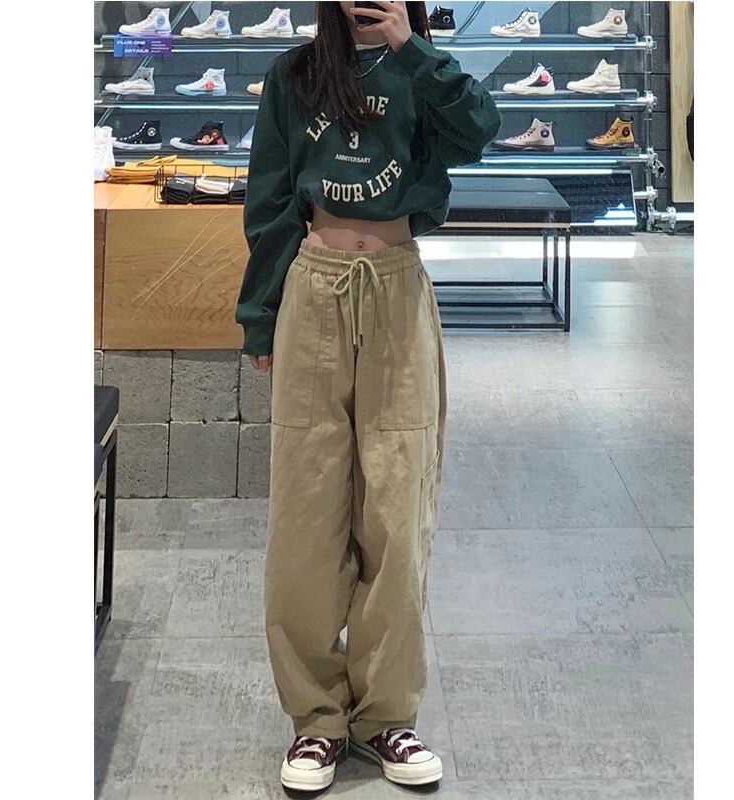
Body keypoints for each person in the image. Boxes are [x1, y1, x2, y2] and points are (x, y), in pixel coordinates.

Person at [234, 1, 501, 791]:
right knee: (306, 511)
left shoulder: (425, 72)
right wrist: (260, 316)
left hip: (396, 289)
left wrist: (414, 50)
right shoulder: (295, 75)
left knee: (398, 507)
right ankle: (316, 720)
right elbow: (270, 199)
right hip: (314, 289)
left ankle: (385, 716)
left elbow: (480, 130)